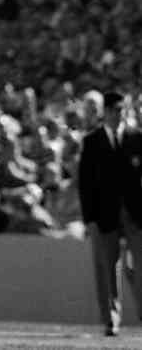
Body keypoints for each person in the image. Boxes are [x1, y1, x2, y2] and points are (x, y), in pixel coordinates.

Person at [78, 91, 142, 337]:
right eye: (114, 110)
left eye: (121, 110)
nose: (118, 114)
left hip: (135, 215)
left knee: (139, 267)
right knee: (108, 269)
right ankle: (111, 319)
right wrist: (89, 219)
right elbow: (85, 184)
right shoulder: (92, 142)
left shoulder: (136, 138)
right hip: (105, 216)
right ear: (105, 112)